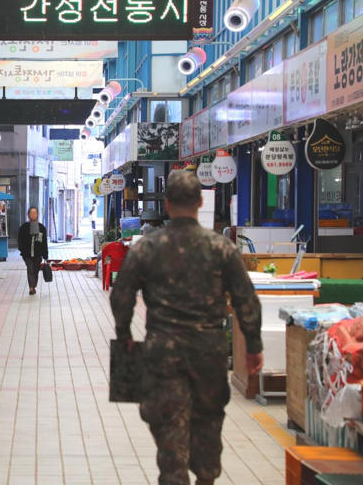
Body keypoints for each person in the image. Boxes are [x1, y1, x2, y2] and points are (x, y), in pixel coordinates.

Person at [110, 171, 263, 485]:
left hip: (162, 356)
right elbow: (247, 299)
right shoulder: (221, 248)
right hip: (208, 354)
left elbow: (121, 295)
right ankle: (206, 476)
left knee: (170, 440)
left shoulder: (148, 247)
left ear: (167, 204)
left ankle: (176, 472)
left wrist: (124, 335)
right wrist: (254, 346)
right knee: (208, 424)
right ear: (201, 201)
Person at [18, 207, 49, 295]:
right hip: (27, 254)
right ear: (28, 215)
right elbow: (20, 240)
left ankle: (33, 285)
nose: (33, 215)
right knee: (30, 269)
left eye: (35, 213)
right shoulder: (24, 227)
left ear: (37, 214)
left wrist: (45, 254)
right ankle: (31, 288)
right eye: (31, 213)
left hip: (38, 254)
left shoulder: (41, 228)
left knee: (36, 270)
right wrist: (21, 249)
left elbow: (44, 242)